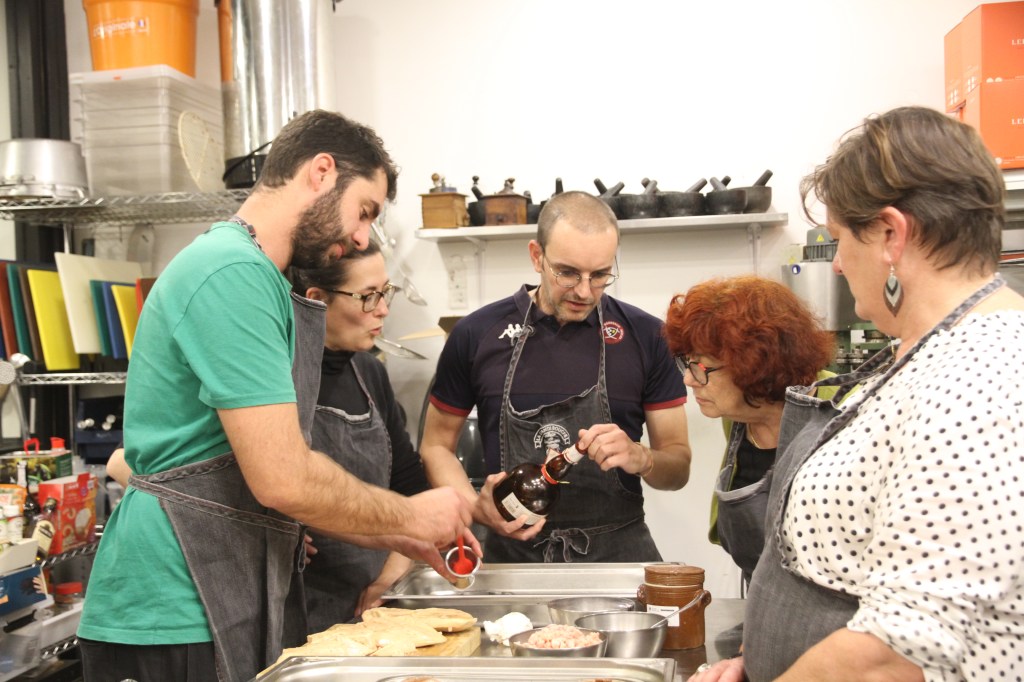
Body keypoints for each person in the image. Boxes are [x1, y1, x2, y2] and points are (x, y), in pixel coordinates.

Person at [78, 110, 476, 682]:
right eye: (364, 210)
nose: (362, 236)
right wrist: (411, 514)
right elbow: (284, 478)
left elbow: (262, 480)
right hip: (170, 608)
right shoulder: (230, 272)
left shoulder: (261, 277)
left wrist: (399, 534)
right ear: (321, 172)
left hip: (221, 588)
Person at [692, 106, 1024, 682]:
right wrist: (765, 653)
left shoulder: (979, 382)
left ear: (892, 235)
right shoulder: (922, 351)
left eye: (840, 240)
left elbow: (895, 655)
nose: (839, 265)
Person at [420, 190, 692, 563]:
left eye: (600, 275)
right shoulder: (476, 334)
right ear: (537, 256)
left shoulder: (646, 337)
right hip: (512, 555)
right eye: (567, 272)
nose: (584, 291)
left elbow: (678, 467)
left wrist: (641, 457)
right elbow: (435, 446)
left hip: (618, 554)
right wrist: (474, 507)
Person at [289, 241, 433, 631]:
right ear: (316, 300)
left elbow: (410, 491)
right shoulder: (275, 380)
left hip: (374, 610)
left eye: (385, 292)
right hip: (295, 612)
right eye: (368, 297)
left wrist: (389, 580)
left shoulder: (370, 373)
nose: (383, 309)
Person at [663, 275, 835, 586]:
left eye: (700, 368)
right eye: (686, 363)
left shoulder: (843, 413)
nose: (688, 380)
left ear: (756, 363)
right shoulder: (737, 417)